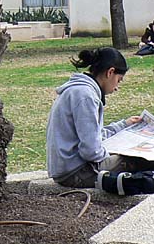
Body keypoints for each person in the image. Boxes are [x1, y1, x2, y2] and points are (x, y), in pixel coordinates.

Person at [46, 47, 142, 188]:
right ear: (110, 72)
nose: (117, 87)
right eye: (119, 80)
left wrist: (123, 125)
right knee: (140, 160)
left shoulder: (79, 90)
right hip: (75, 172)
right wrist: (113, 152)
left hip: (67, 167)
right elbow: (91, 151)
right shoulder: (86, 96)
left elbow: (92, 136)